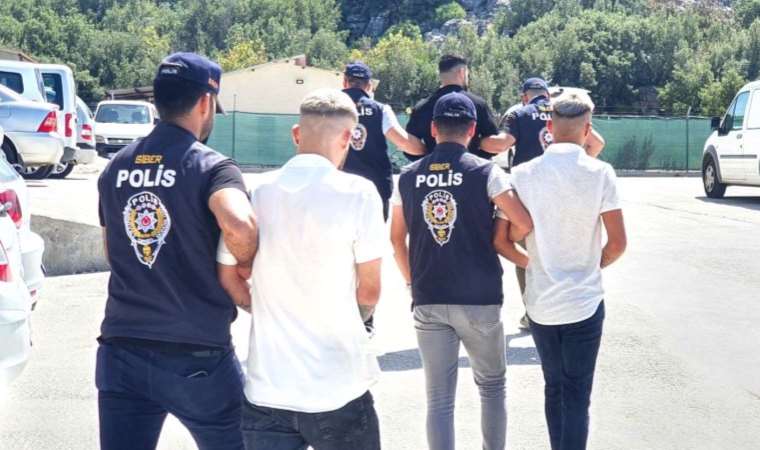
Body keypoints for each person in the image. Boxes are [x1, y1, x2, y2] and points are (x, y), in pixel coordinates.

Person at [96, 52, 256, 450]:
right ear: (205, 101)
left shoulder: (115, 167)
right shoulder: (212, 167)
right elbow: (239, 225)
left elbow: (112, 250)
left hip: (121, 350)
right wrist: (244, 264)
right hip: (196, 355)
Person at [217, 89, 386, 450]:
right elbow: (370, 290)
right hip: (337, 387)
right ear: (348, 138)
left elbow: (228, 274)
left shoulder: (257, 190)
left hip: (267, 391)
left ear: (296, 134)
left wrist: (262, 307)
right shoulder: (359, 193)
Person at [390, 92, 533, 450]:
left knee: (439, 399)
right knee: (492, 386)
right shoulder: (486, 172)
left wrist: (411, 282)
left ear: (433, 129)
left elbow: (395, 240)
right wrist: (499, 225)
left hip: (429, 295)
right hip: (480, 297)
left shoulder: (407, 176)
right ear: (471, 130)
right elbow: (523, 222)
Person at [497, 92, 627, 450]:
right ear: (587, 129)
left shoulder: (522, 174)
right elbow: (617, 243)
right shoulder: (600, 173)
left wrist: (536, 265)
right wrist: (591, 267)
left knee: (553, 387)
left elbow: (503, 240)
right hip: (585, 302)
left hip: (540, 303)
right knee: (577, 394)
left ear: (550, 127)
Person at [502, 78, 606, 329]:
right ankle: (572, 297)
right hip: (565, 191)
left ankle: (532, 311)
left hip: (529, 194)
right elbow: (597, 143)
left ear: (525, 96)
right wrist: (577, 165)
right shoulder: (565, 111)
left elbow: (501, 143)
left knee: (527, 253)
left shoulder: (520, 113)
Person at [342, 61, 426, 220]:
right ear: (369, 86)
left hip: (340, 187)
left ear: (345, 82)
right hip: (375, 187)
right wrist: (428, 150)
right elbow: (403, 142)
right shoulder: (380, 110)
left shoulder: (330, 108)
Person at [405, 54, 506, 160]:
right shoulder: (478, 104)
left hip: (432, 168)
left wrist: (427, 158)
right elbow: (493, 144)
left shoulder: (422, 107)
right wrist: (477, 152)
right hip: (469, 168)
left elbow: (409, 145)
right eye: (467, 74)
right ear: (462, 72)